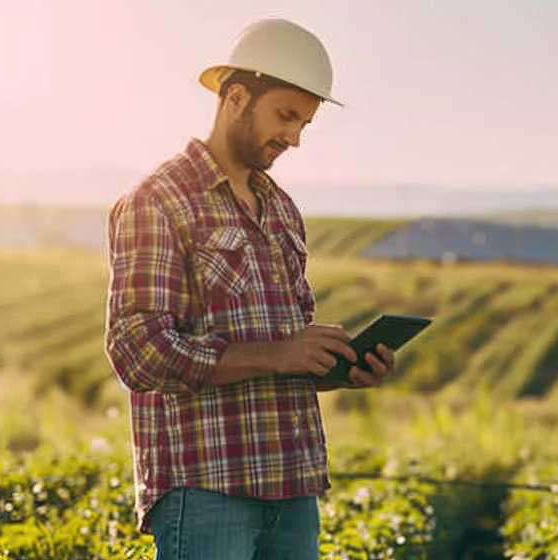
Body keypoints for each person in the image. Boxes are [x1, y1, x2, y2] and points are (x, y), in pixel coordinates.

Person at [103, 18, 393, 559]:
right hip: (208, 486)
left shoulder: (281, 210)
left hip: (294, 486)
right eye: (286, 116)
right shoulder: (159, 200)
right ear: (236, 97)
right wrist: (280, 354)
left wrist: (338, 369)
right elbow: (137, 351)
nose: (295, 137)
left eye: (305, 123)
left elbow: (279, 361)